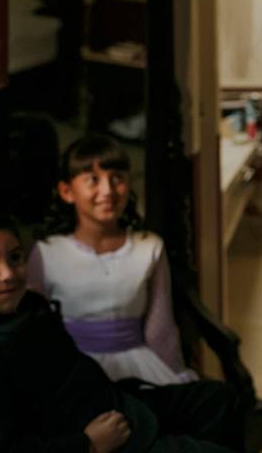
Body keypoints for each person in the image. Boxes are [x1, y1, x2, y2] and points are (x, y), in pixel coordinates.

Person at [0, 213, 240, 452]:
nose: (8, 274)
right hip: (94, 438)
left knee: (217, 399)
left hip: (112, 403)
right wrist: (87, 443)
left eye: (15, 257)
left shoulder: (29, 310)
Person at [27, 133, 195, 386]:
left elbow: (161, 328)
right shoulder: (47, 253)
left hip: (140, 365)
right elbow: (35, 330)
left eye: (117, 179)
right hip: (73, 369)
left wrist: (178, 374)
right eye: (93, 180)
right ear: (67, 191)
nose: (107, 191)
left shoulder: (149, 247)